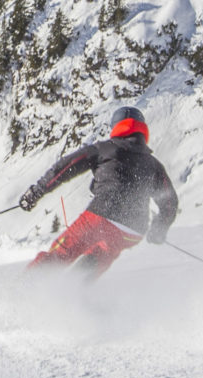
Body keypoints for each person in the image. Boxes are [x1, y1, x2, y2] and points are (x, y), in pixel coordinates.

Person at [19, 105, 179, 276]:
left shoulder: (105, 149)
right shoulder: (154, 164)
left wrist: (36, 192)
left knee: (62, 253)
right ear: (142, 131)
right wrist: (159, 228)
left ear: (116, 127)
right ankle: (72, 293)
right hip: (132, 231)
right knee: (102, 254)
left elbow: (66, 167)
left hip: (103, 213)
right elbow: (170, 202)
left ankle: (24, 290)